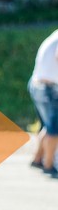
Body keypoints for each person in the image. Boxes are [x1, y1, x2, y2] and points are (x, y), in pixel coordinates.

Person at [29, 29, 58, 177]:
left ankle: (37, 159)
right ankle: (49, 165)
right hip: (47, 88)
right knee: (55, 128)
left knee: (48, 126)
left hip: (37, 84)